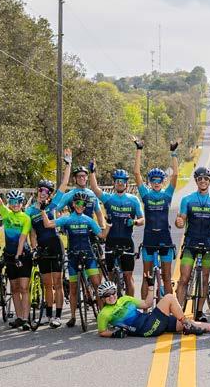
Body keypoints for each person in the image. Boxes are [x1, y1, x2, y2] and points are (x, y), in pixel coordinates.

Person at [0, 170, 33, 329]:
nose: (15, 204)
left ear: (22, 202)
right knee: (15, 288)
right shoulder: (6, 214)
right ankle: (19, 317)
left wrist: (18, 256)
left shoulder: (26, 218)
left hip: (23, 255)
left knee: (24, 287)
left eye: (18, 201)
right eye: (12, 201)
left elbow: (22, 239)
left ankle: (25, 318)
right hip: (9, 254)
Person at [175, 166, 210, 321]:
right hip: (190, 243)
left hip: (207, 244)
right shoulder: (187, 199)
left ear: (209, 181)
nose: (203, 181)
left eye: (206, 179)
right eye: (200, 179)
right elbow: (181, 220)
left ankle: (199, 312)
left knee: (204, 279)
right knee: (184, 279)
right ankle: (177, 313)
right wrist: (179, 222)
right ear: (196, 181)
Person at [88, 163, 145, 296]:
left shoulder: (134, 200)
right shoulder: (108, 198)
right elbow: (95, 189)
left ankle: (130, 305)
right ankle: (112, 303)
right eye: (117, 181)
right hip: (111, 241)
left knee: (128, 277)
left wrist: (135, 222)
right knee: (110, 276)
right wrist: (92, 172)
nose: (120, 183)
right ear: (114, 183)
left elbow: (142, 219)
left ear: (126, 183)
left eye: (122, 181)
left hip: (127, 241)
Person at [54, 191, 109, 326]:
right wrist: (45, 210)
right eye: (77, 203)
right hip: (73, 256)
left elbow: (102, 235)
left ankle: (103, 314)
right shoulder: (67, 219)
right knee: (73, 288)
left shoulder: (89, 220)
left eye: (83, 204)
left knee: (97, 285)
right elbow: (50, 224)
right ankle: (73, 317)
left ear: (85, 206)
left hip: (88, 255)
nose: (80, 206)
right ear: (73, 204)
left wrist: (109, 225)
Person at [134, 139, 180, 299]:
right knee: (146, 278)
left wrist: (173, 153)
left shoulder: (167, 195)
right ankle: (145, 310)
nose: (156, 183)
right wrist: (139, 149)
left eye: (159, 180)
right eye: (153, 180)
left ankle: (168, 308)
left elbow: (175, 174)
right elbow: (136, 174)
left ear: (163, 181)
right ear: (149, 182)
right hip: (149, 239)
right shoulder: (146, 195)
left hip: (165, 238)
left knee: (167, 278)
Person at [96, 279, 210, 338]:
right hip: (145, 329)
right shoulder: (104, 314)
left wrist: (150, 287)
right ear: (102, 298)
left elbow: (146, 304)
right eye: (107, 295)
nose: (111, 296)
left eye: (113, 292)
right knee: (169, 298)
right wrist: (113, 334)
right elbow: (102, 332)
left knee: (188, 323)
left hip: (151, 320)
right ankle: (187, 325)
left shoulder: (125, 299)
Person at [26, 179, 64, 328]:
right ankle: (48, 315)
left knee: (57, 283)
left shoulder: (52, 205)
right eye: (41, 189)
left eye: (46, 191)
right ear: (37, 190)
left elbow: (62, 187)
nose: (43, 193)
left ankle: (58, 316)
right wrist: (34, 248)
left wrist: (68, 167)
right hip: (42, 248)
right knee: (47, 284)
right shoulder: (29, 210)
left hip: (55, 245)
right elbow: (32, 233)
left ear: (50, 194)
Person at [52, 149, 105, 228]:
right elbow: (55, 210)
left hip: (90, 231)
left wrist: (102, 228)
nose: (81, 178)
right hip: (74, 231)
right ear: (74, 179)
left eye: (83, 176)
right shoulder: (69, 195)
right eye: (79, 176)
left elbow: (99, 214)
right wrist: (61, 225)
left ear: (87, 177)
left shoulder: (92, 194)